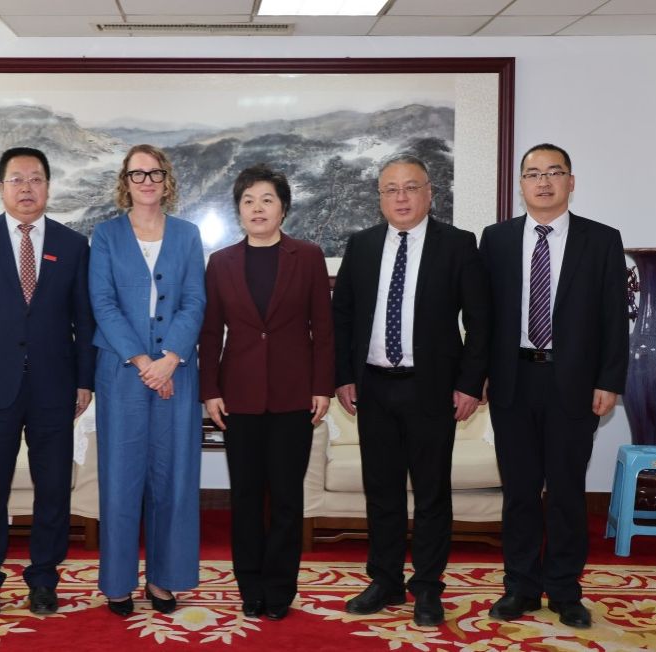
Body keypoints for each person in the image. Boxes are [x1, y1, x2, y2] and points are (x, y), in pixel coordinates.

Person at [331, 155, 489, 627]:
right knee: (381, 491)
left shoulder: (458, 244)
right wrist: (343, 376)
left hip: (432, 389)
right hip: (374, 386)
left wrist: (469, 384)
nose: (401, 197)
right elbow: (343, 317)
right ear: (380, 197)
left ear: (429, 193)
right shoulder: (361, 245)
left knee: (431, 492)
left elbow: (480, 321)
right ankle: (384, 580)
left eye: (411, 187)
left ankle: (427, 587)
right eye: (391, 189)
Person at [480, 144, 628, 629]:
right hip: (513, 380)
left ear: (571, 182)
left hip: (574, 382)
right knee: (520, 492)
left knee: (566, 492)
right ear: (521, 185)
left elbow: (614, 317)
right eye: (533, 174)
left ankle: (565, 590)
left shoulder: (600, 239)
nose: (543, 182)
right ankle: (520, 587)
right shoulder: (496, 239)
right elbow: (483, 316)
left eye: (554, 172)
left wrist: (609, 380)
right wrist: (478, 374)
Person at [0, 146, 96, 618]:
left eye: (35, 179)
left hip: (56, 385)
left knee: (53, 489)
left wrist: (85, 380)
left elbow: (84, 320)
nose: (26, 188)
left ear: (48, 186)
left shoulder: (73, 245)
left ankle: (44, 579)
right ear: (1, 188)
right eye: (17, 179)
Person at [199, 164, 333, 621]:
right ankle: (250, 586)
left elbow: (323, 327)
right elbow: (210, 333)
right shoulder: (221, 262)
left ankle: (280, 589)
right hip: (238, 396)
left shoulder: (307, 256)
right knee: (246, 498)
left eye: (267, 200)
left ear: (283, 207)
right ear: (238, 210)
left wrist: (322, 386)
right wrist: (210, 390)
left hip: (295, 396)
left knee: (287, 499)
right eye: (248, 201)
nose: (257, 209)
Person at [89, 144, 206, 616]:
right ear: (125, 182)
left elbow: (195, 300)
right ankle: (118, 583)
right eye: (137, 174)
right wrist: (144, 362)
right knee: (121, 479)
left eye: (154, 173)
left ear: (166, 179)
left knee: (173, 477)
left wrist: (170, 358)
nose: (147, 181)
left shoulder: (188, 234)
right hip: (122, 372)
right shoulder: (106, 235)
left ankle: (164, 578)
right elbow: (102, 302)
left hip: (177, 371)